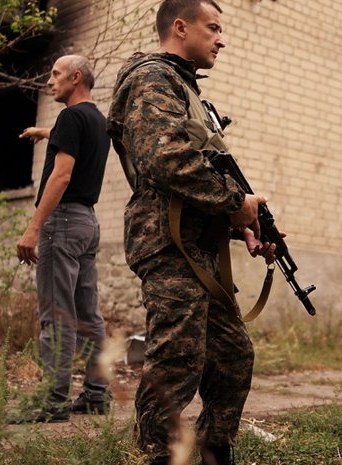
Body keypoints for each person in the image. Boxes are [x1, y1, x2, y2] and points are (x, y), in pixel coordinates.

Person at [107, 1, 276, 463]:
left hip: (198, 244)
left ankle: (212, 451)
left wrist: (239, 224)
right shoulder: (151, 79)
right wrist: (234, 203)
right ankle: (154, 456)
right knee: (176, 362)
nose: (222, 39)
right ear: (180, 27)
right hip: (166, 241)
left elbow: (202, 163)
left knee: (232, 359)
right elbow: (167, 160)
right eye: (214, 28)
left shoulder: (184, 88)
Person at [13, 55, 111, 423]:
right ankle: (96, 395)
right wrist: (44, 135)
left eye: (55, 74)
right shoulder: (97, 119)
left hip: (64, 220)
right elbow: (73, 144)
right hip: (88, 222)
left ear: (76, 76)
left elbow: (61, 175)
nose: (49, 81)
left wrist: (34, 227)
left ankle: (53, 401)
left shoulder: (70, 117)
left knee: (57, 314)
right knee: (88, 314)